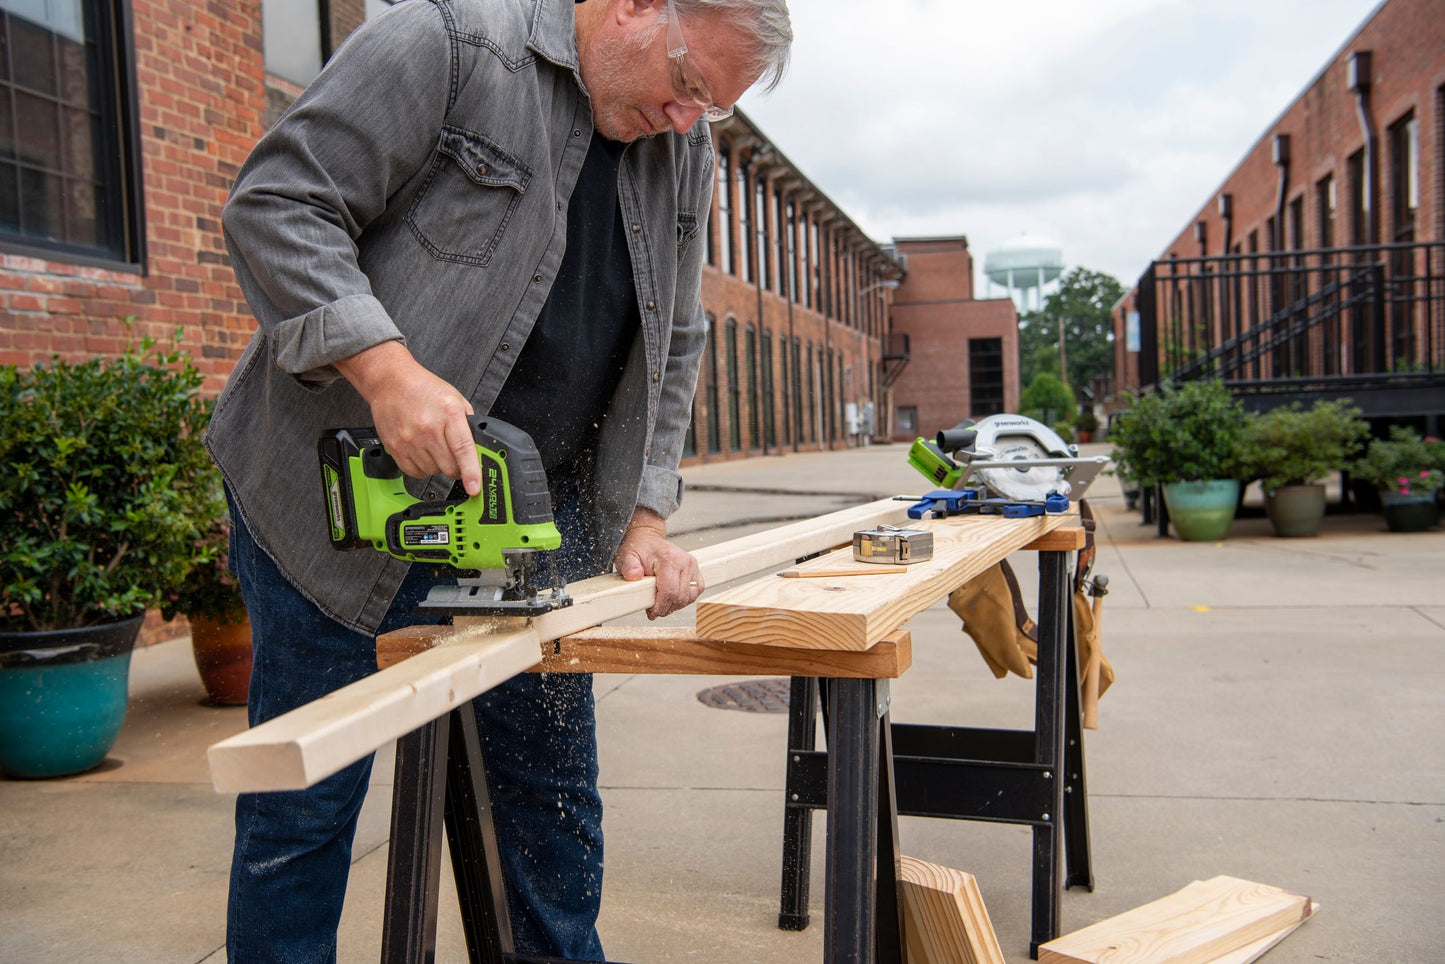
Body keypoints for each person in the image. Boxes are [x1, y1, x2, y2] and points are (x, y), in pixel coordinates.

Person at [209, 0, 792, 959]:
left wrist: (644, 514)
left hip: (534, 515)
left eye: (713, 108)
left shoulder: (680, 145)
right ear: (634, 8)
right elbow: (277, 205)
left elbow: (675, 337)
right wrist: (384, 369)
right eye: (688, 86)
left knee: (547, 798)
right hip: (341, 499)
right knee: (302, 806)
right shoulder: (445, 44)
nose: (689, 119)